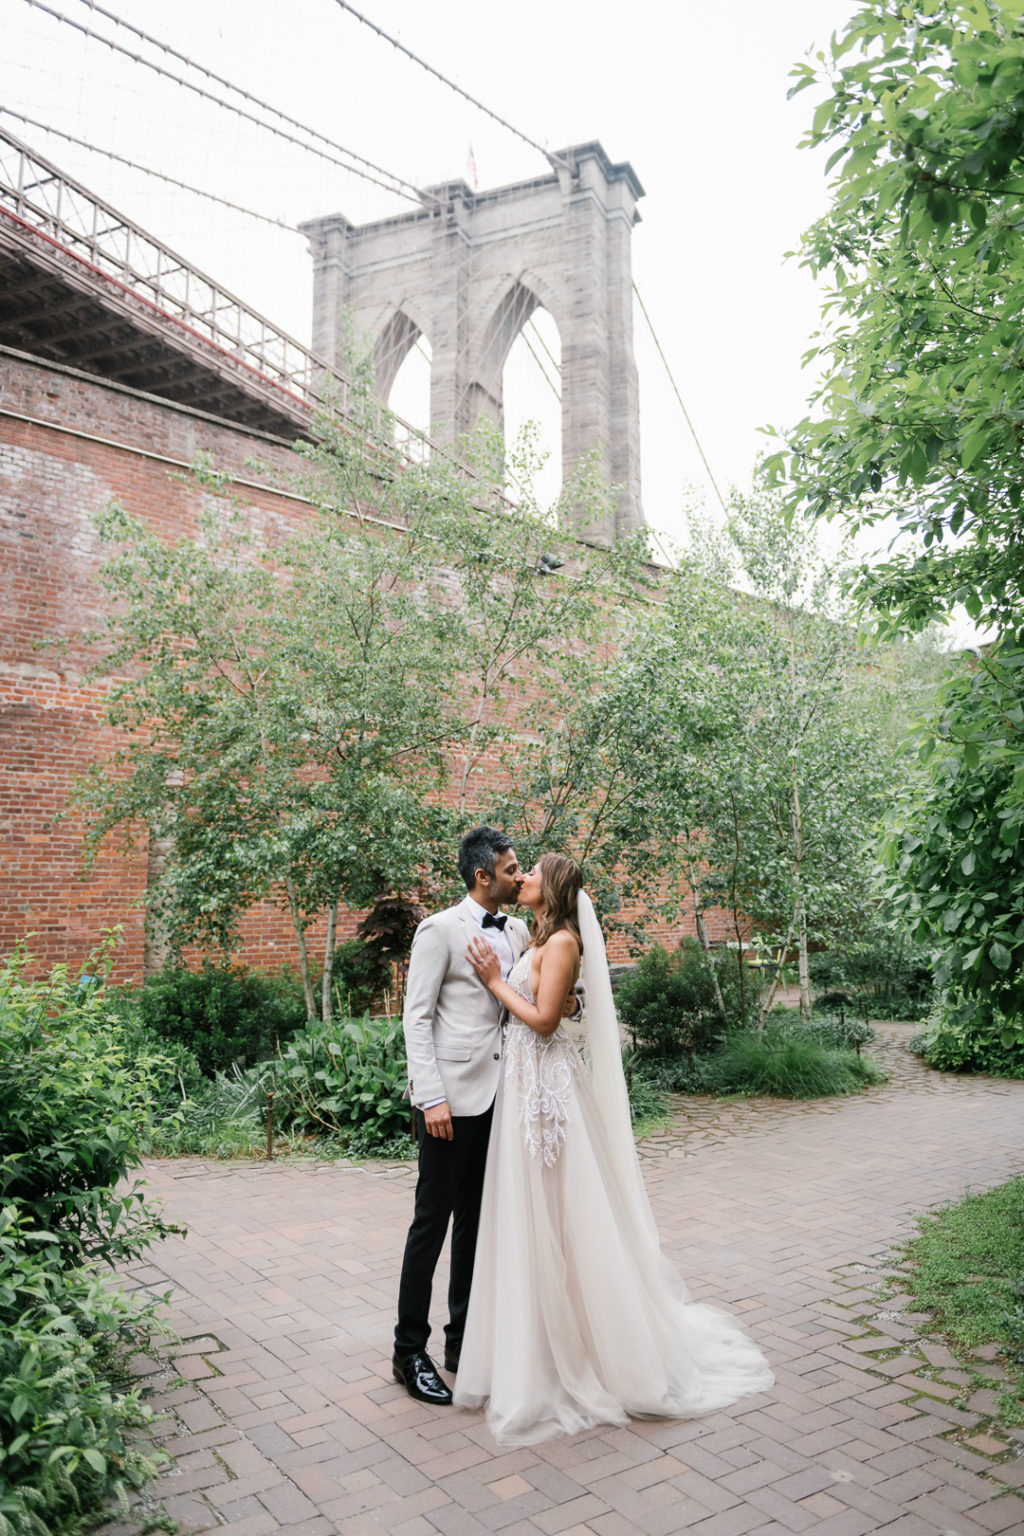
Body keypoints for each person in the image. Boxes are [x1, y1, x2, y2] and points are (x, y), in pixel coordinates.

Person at [454, 852, 774, 1446]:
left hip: (549, 1096)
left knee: (567, 1217)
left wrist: (496, 984)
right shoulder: (533, 936)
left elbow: (546, 1021)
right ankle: (536, 1345)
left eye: (531, 873)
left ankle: (589, 1352)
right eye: (516, 871)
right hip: (526, 1092)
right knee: (531, 1219)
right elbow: (564, 1004)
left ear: (551, 888)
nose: (521, 878)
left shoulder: (566, 941)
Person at [392, 826, 530, 1405]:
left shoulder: (519, 930)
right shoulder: (439, 931)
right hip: (450, 1101)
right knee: (432, 1225)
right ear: (483, 875)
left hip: (503, 1097)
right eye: (511, 868)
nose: (519, 877)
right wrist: (431, 1097)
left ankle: (462, 1342)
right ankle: (408, 1352)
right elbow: (415, 1017)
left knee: (477, 1226)